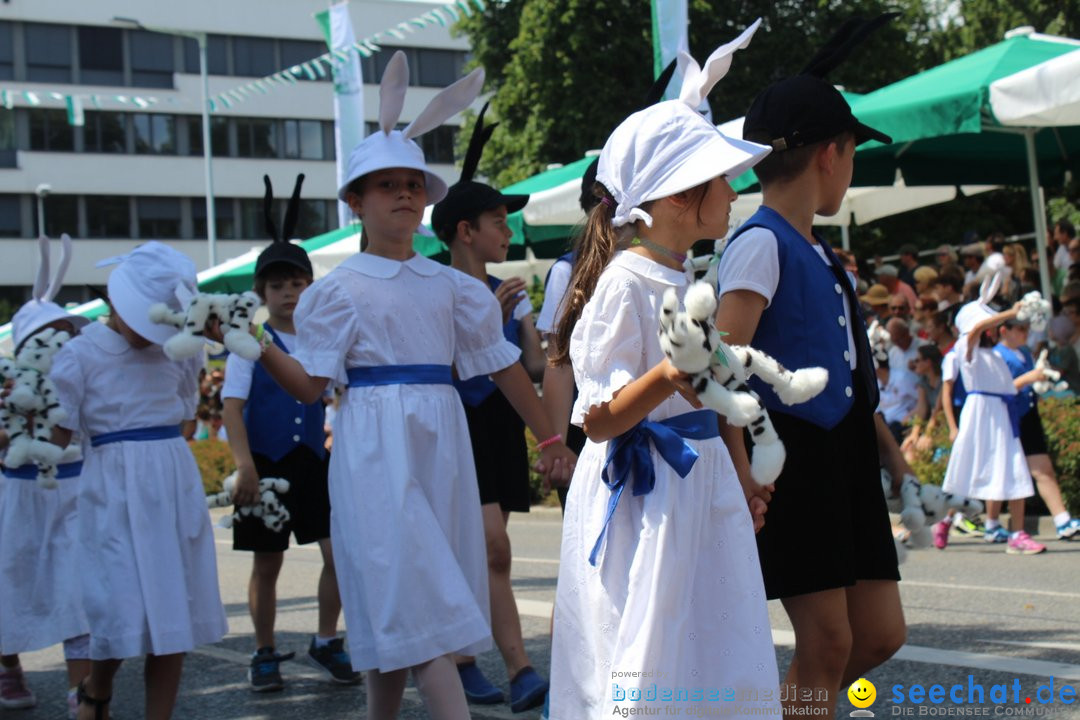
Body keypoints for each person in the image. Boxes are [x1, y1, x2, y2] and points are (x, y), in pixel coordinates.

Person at [209, 52, 575, 720]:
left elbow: (498, 365)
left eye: (413, 182)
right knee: (418, 596)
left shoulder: (453, 288)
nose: (404, 193)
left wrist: (550, 436)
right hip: (374, 446)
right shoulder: (336, 293)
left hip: (440, 443)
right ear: (355, 200)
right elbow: (310, 385)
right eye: (385, 185)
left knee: (403, 604)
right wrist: (254, 344)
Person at [548, 24, 780, 719]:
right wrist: (670, 376)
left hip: (700, 485)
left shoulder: (690, 274)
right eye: (723, 179)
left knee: (711, 641)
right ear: (681, 196)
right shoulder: (626, 283)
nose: (737, 190)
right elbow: (598, 419)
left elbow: (716, 391)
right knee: (648, 646)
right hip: (648, 497)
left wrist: (741, 475)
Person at [713, 14, 905, 718]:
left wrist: (890, 456)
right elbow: (721, 366)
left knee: (879, 635)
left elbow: (850, 372)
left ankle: (784, 709)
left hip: (844, 453)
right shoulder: (758, 242)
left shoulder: (818, 251)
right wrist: (740, 465)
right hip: (791, 455)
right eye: (852, 156)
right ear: (832, 153)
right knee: (826, 643)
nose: (850, 172)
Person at [49, 241, 228, 720]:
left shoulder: (180, 350)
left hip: (170, 479)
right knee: (116, 603)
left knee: (173, 611)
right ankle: (98, 684)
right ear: (115, 301)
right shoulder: (80, 353)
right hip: (112, 486)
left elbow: (188, 413)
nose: (150, 335)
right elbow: (58, 430)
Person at [432, 104, 551, 713]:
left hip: (501, 427)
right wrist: (493, 319)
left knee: (490, 547)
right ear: (463, 231)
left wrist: (520, 319)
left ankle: (500, 664)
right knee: (487, 544)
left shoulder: (505, 289)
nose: (508, 232)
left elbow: (531, 368)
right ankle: (499, 664)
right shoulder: (431, 288)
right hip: (456, 429)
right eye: (497, 221)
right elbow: (441, 371)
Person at [220, 175, 359, 693]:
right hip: (264, 461)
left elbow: (342, 394)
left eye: (298, 283)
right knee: (267, 560)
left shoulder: (326, 335)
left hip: (315, 463)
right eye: (278, 286)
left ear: (311, 286)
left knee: (337, 555)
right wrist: (244, 466)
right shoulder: (246, 341)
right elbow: (232, 408)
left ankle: (326, 639)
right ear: (263, 293)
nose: (289, 293)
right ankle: (263, 649)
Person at [0, 235, 91, 718]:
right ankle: (9, 663)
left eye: (68, 332)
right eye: (53, 333)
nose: (65, 342)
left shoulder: (81, 379)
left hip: (74, 489)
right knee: (11, 581)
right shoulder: (6, 382)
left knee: (78, 588)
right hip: (19, 495)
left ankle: (81, 688)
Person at [940, 276, 1046, 555]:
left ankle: (1018, 533)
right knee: (968, 469)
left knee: (1014, 469)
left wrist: (1035, 377)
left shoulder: (996, 356)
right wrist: (1011, 313)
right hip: (979, 414)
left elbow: (1008, 388)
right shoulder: (966, 348)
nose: (996, 328)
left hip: (1001, 415)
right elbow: (976, 328)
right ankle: (947, 519)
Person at [993, 319, 1080, 539]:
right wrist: (1028, 379)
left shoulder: (1023, 352)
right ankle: (989, 523)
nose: (1025, 333)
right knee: (1002, 474)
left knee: (1043, 469)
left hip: (1028, 415)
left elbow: (1030, 383)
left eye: (1027, 329)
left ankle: (1062, 520)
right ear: (1005, 330)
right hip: (1008, 419)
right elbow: (997, 391)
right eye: (1020, 329)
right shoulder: (996, 355)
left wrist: (1041, 382)